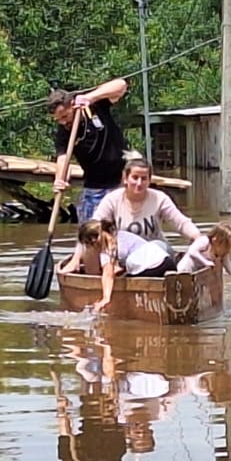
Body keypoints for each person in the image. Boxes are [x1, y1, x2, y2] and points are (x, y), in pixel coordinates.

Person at [50, 77, 129, 223]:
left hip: (122, 182)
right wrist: (60, 180)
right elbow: (63, 158)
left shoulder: (95, 106)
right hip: (94, 187)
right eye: (58, 119)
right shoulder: (64, 132)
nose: (63, 122)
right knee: (90, 234)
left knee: (124, 232)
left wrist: (90, 97)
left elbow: (121, 85)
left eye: (65, 116)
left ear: (72, 105)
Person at [57, 217, 172, 314]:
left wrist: (105, 298)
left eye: (89, 243)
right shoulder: (122, 235)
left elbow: (107, 273)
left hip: (151, 268)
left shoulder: (107, 246)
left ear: (95, 239)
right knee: (123, 274)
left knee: (119, 281)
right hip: (167, 262)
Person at [91, 160, 201, 256]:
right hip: (123, 253)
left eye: (143, 179)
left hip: (156, 254)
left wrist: (198, 237)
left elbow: (181, 223)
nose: (139, 183)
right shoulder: (112, 199)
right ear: (125, 178)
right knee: (93, 245)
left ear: (149, 181)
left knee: (158, 247)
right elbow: (93, 226)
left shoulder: (159, 198)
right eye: (135, 178)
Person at [176, 220, 231, 290]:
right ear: (215, 240)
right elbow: (192, 251)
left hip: (196, 275)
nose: (228, 250)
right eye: (226, 246)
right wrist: (206, 262)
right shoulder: (205, 241)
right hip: (184, 270)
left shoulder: (222, 254)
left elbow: (230, 268)